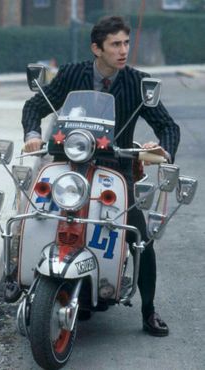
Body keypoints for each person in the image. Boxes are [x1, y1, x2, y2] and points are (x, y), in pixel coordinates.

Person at [21, 16, 180, 336]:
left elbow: (168, 126)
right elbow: (36, 105)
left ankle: (148, 310)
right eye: (115, 45)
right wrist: (33, 133)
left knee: (140, 236)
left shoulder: (137, 81)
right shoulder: (72, 73)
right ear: (97, 48)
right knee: (33, 214)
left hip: (115, 169)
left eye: (126, 43)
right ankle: (19, 279)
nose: (123, 50)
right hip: (69, 163)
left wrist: (160, 148)